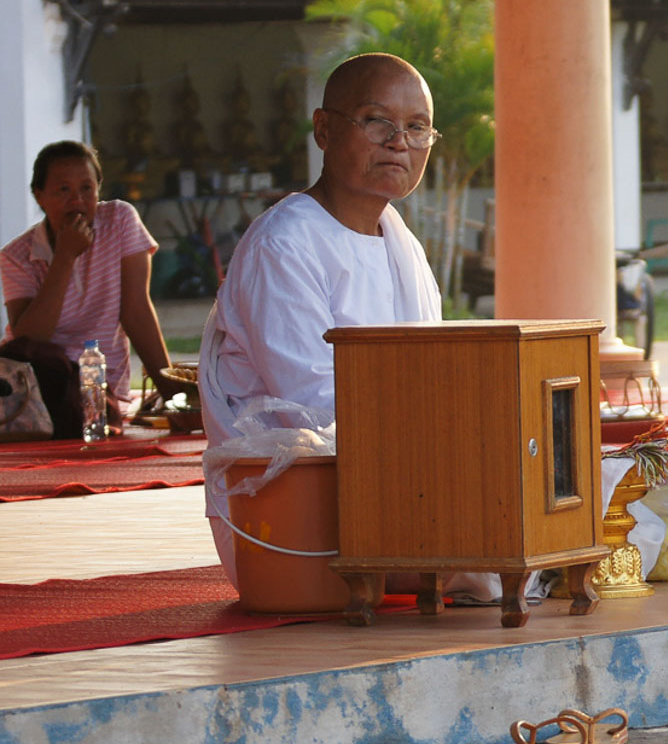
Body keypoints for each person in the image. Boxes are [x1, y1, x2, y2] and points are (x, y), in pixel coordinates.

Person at [198, 53, 443, 580]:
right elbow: (312, 410)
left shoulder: (403, 246)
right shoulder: (285, 244)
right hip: (297, 513)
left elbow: (431, 377)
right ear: (324, 130)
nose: (399, 141)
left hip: (395, 472)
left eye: (417, 128)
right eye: (378, 121)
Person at [1, 140, 171, 432]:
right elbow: (29, 339)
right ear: (39, 196)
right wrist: (65, 257)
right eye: (63, 190)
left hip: (100, 388)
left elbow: (137, 312)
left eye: (86, 189)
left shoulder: (120, 220)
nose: (77, 200)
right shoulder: (17, 256)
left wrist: (172, 392)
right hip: (38, 390)